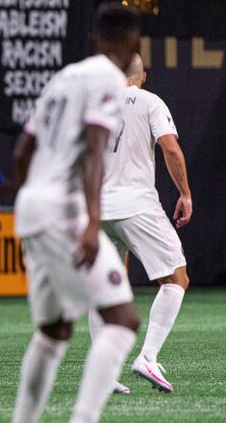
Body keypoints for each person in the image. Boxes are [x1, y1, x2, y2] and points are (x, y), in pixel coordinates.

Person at [11, 4, 141, 423]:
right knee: (122, 320)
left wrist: (29, 209)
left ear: (92, 40)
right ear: (134, 44)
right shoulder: (108, 78)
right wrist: (91, 221)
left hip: (33, 206)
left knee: (55, 331)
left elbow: (22, 151)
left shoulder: (64, 77)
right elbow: (94, 149)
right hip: (62, 209)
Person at [88, 53, 192, 394]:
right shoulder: (150, 101)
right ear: (142, 76)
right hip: (135, 204)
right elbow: (170, 148)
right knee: (176, 277)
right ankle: (147, 356)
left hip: (99, 206)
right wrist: (185, 194)